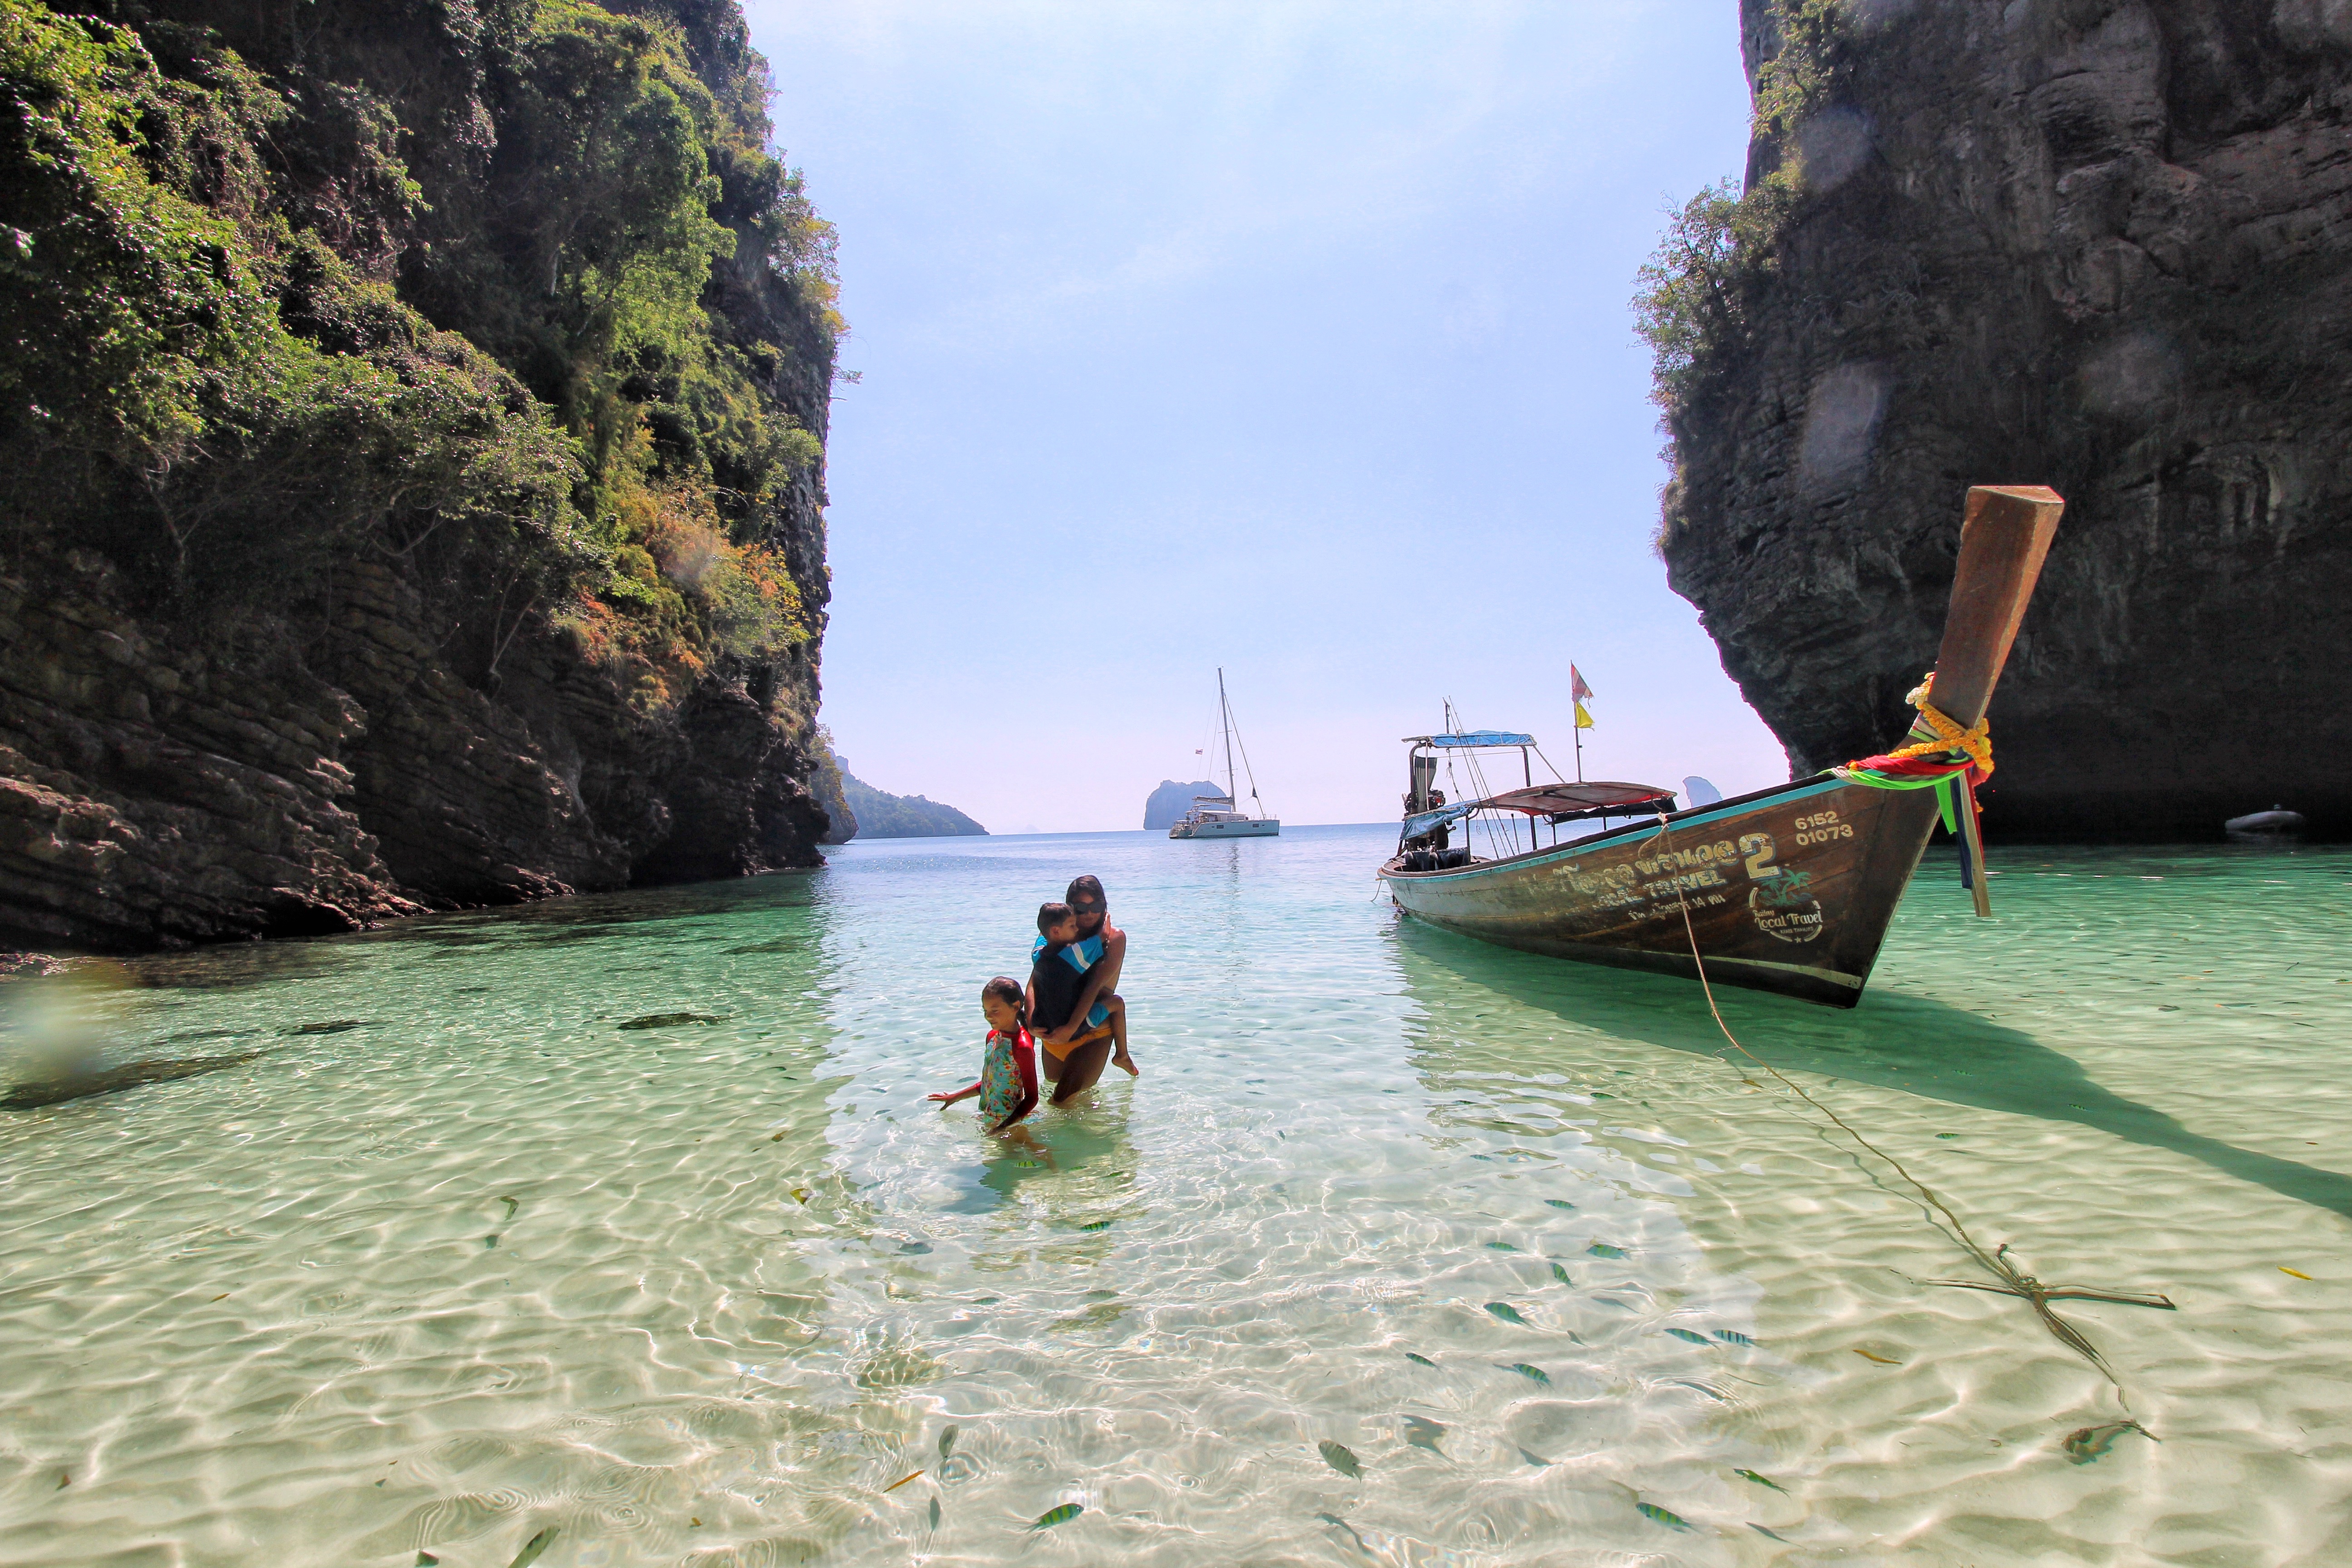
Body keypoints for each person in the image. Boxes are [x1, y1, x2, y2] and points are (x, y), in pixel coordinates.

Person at [1029, 881, 1132, 1102]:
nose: (1089, 914)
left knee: (1061, 1102)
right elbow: (1035, 980)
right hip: (1055, 1033)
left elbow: (1094, 987)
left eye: (1096, 906)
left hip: (1091, 1033)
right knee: (1056, 1099)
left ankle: (1122, 1057)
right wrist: (1030, 1022)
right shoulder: (1055, 936)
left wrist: (1071, 1028)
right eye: (1081, 909)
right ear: (1070, 907)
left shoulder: (1113, 938)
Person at [926, 975, 1038, 1133]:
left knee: (1022, 1154)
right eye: (985, 1010)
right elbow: (989, 1083)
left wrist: (1004, 1127)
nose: (988, 1016)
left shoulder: (1022, 1047)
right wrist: (954, 1098)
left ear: (1015, 1007)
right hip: (990, 1117)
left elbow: (1032, 1097)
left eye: (995, 1010)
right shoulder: (992, 1037)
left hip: (1009, 1121)